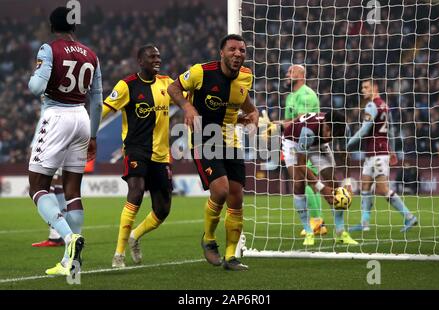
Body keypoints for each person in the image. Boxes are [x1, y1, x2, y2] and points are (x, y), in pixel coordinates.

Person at [168, 34, 259, 271]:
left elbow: (248, 105)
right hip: (203, 139)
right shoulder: (201, 72)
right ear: (221, 52)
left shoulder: (246, 77)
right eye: (232, 49)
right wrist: (187, 106)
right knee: (221, 190)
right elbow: (173, 87)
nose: (238, 54)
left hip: (231, 141)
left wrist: (252, 116)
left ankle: (231, 257)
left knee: (237, 197)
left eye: (242, 50)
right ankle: (208, 238)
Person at [27, 7, 102, 276]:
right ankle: (72, 263)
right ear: (74, 27)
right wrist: (93, 135)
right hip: (81, 118)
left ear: (52, 25)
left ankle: (69, 238)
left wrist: (34, 78)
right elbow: (98, 98)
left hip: (57, 115)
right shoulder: (91, 55)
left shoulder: (49, 49)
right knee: (73, 191)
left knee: (37, 187)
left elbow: (36, 88)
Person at [103, 44, 174, 268]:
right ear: (140, 61)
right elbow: (104, 109)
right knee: (135, 191)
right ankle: (118, 254)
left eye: (159, 56)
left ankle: (135, 236)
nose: (157, 60)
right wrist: (85, 130)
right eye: (152, 56)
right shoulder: (127, 85)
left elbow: (187, 97)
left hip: (160, 155)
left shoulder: (167, 83)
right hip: (136, 149)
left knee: (162, 210)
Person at [270, 111, 359, 245]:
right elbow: (301, 163)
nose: (329, 135)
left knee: (334, 184)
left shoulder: (343, 129)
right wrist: (321, 187)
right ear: (324, 123)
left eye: (333, 134)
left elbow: (345, 155)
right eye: (327, 130)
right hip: (293, 143)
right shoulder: (308, 132)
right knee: (299, 182)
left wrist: (347, 182)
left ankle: (340, 232)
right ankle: (309, 231)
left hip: (319, 145)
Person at [347, 79, 417, 232]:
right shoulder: (385, 105)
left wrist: (348, 143)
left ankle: (409, 216)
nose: (363, 90)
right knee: (365, 184)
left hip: (378, 153)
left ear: (375, 87)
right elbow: (390, 130)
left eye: (366, 87)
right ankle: (364, 223)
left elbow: (364, 130)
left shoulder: (371, 105)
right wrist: (391, 150)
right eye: (362, 88)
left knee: (383, 188)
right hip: (375, 152)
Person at [281, 64, 327, 237]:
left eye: (290, 71)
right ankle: (318, 222)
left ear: (300, 75)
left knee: (308, 181)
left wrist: (277, 124)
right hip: (295, 143)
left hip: (309, 142)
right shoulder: (291, 97)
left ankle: (317, 222)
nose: (287, 74)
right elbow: (288, 122)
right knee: (305, 181)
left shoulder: (307, 95)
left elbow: (302, 122)